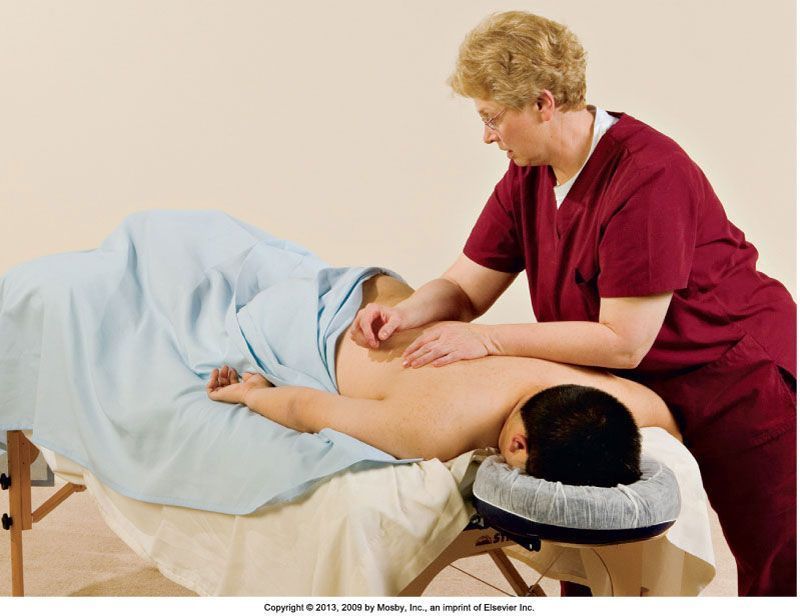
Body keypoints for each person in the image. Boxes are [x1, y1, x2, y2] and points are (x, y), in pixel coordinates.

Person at [349, 11, 796, 597]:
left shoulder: (648, 176)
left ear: (542, 103)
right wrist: (410, 313)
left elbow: (624, 340)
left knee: (777, 564)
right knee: (592, 542)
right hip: (629, 385)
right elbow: (465, 287)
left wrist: (487, 340)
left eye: (492, 118)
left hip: (735, 378)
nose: (486, 136)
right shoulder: (529, 175)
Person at [206, 273, 675, 478]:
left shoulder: (625, 401)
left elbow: (666, 428)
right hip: (303, 324)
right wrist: (251, 395)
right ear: (517, 446)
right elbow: (305, 407)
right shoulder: (431, 429)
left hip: (377, 291)